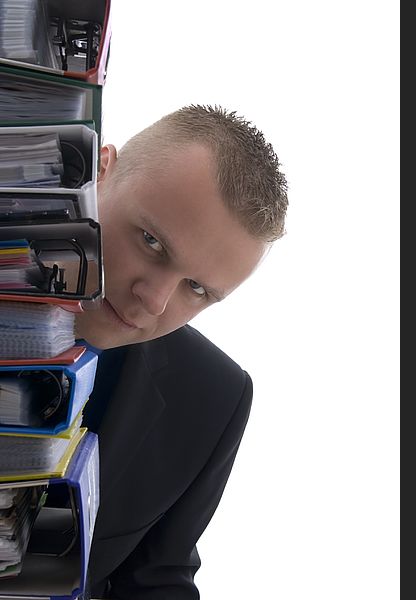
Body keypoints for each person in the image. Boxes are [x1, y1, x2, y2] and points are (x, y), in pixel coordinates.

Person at [75, 105, 288, 598]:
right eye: (151, 242)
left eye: (196, 288)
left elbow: (155, 581)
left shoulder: (212, 399)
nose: (155, 300)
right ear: (98, 171)